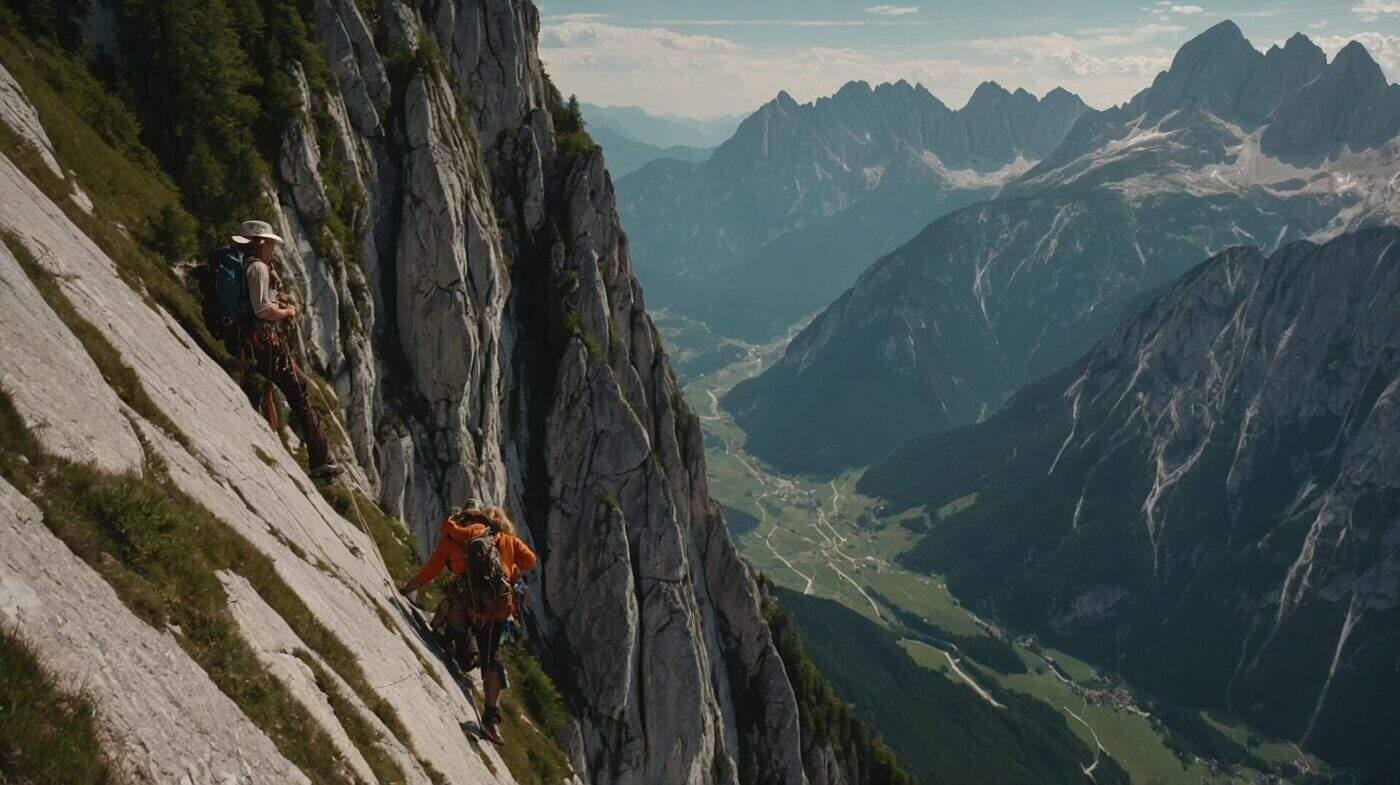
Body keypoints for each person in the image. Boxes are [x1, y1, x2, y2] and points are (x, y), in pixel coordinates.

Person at [399, 501, 537, 743]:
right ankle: (491, 719)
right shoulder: (506, 540)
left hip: (470, 608)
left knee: (450, 605)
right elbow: (531, 561)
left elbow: (430, 570)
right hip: (497, 614)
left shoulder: (456, 539)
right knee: (492, 660)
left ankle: (455, 646)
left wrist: (406, 589)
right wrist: (509, 561)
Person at [230, 220, 338, 478]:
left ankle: (322, 458)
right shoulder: (258, 268)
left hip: (259, 343)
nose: (273, 249)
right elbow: (262, 310)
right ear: (261, 243)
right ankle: (322, 461)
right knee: (300, 391)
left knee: (299, 390)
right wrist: (287, 311)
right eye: (271, 244)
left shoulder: (248, 265)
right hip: (266, 345)